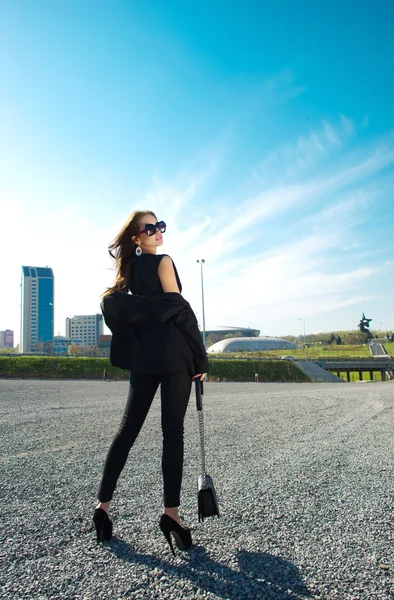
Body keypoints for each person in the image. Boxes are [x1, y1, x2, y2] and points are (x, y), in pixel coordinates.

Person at [93, 210, 209, 555]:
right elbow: (181, 310)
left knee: (125, 432)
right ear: (136, 237)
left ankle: (102, 509)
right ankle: (170, 516)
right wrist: (201, 358)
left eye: (160, 226)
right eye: (150, 228)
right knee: (172, 434)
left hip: (144, 360)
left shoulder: (127, 274)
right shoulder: (164, 262)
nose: (158, 231)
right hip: (174, 359)